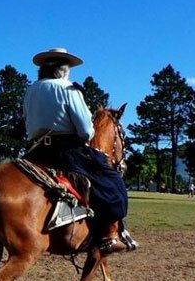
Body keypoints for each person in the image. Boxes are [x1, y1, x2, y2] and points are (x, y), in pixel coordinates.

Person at [23, 47, 137, 252]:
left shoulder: (31, 90)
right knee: (113, 184)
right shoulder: (69, 89)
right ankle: (109, 236)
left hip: (36, 150)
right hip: (66, 151)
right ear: (64, 70)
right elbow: (86, 131)